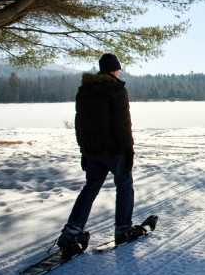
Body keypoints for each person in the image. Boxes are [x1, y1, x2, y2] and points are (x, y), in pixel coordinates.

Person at [56, 53, 141, 257]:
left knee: (90, 189)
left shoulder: (84, 91)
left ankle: (71, 232)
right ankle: (123, 229)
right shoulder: (116, 90)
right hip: (115, 151)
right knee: (125, 187)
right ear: (114, 70)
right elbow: (122, 125)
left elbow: (80, 125)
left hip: (92, 151)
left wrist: (84, 151)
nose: (120, 72)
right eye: (118, 69)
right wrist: (128, 151)